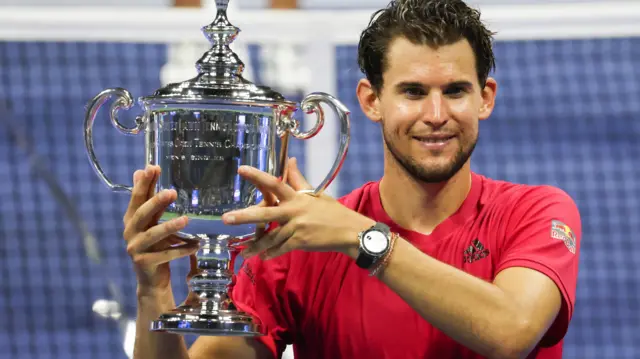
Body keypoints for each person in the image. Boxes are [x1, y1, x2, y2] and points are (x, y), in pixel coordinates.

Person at [122, 0, 582, 358]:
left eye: (455, 91)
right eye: (413, 92)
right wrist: (153, 290)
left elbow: (511, 332)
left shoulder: (537, 212)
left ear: (485, 98)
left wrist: (362, 239)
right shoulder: (304, 244)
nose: (436, 115)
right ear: (371, 100)